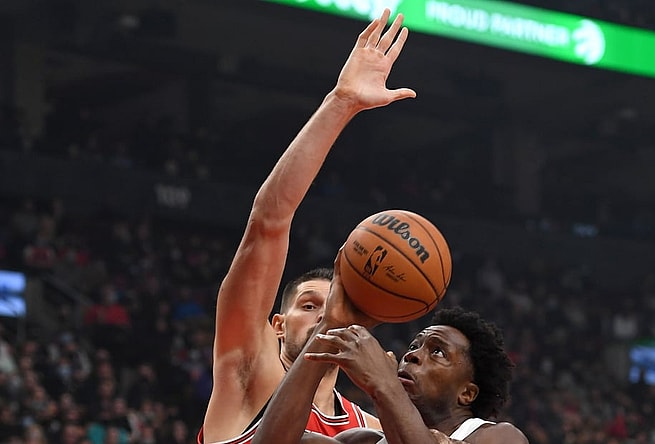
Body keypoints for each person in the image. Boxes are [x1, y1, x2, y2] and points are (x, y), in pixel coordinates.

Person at [199, 9, 416, 444]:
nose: (325, 315)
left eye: (334, 305)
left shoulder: (374, 427)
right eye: (310, 305)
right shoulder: (245, 375)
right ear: (277, 325)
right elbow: (268, 223)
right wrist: (342, 102)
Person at [252, 256, 529, 444]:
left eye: (438, 352)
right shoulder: (365, 439)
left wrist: (384, 384)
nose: (413, 355)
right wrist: (330, 325)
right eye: (414, 346)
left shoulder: (499, 437)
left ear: (467, 393)